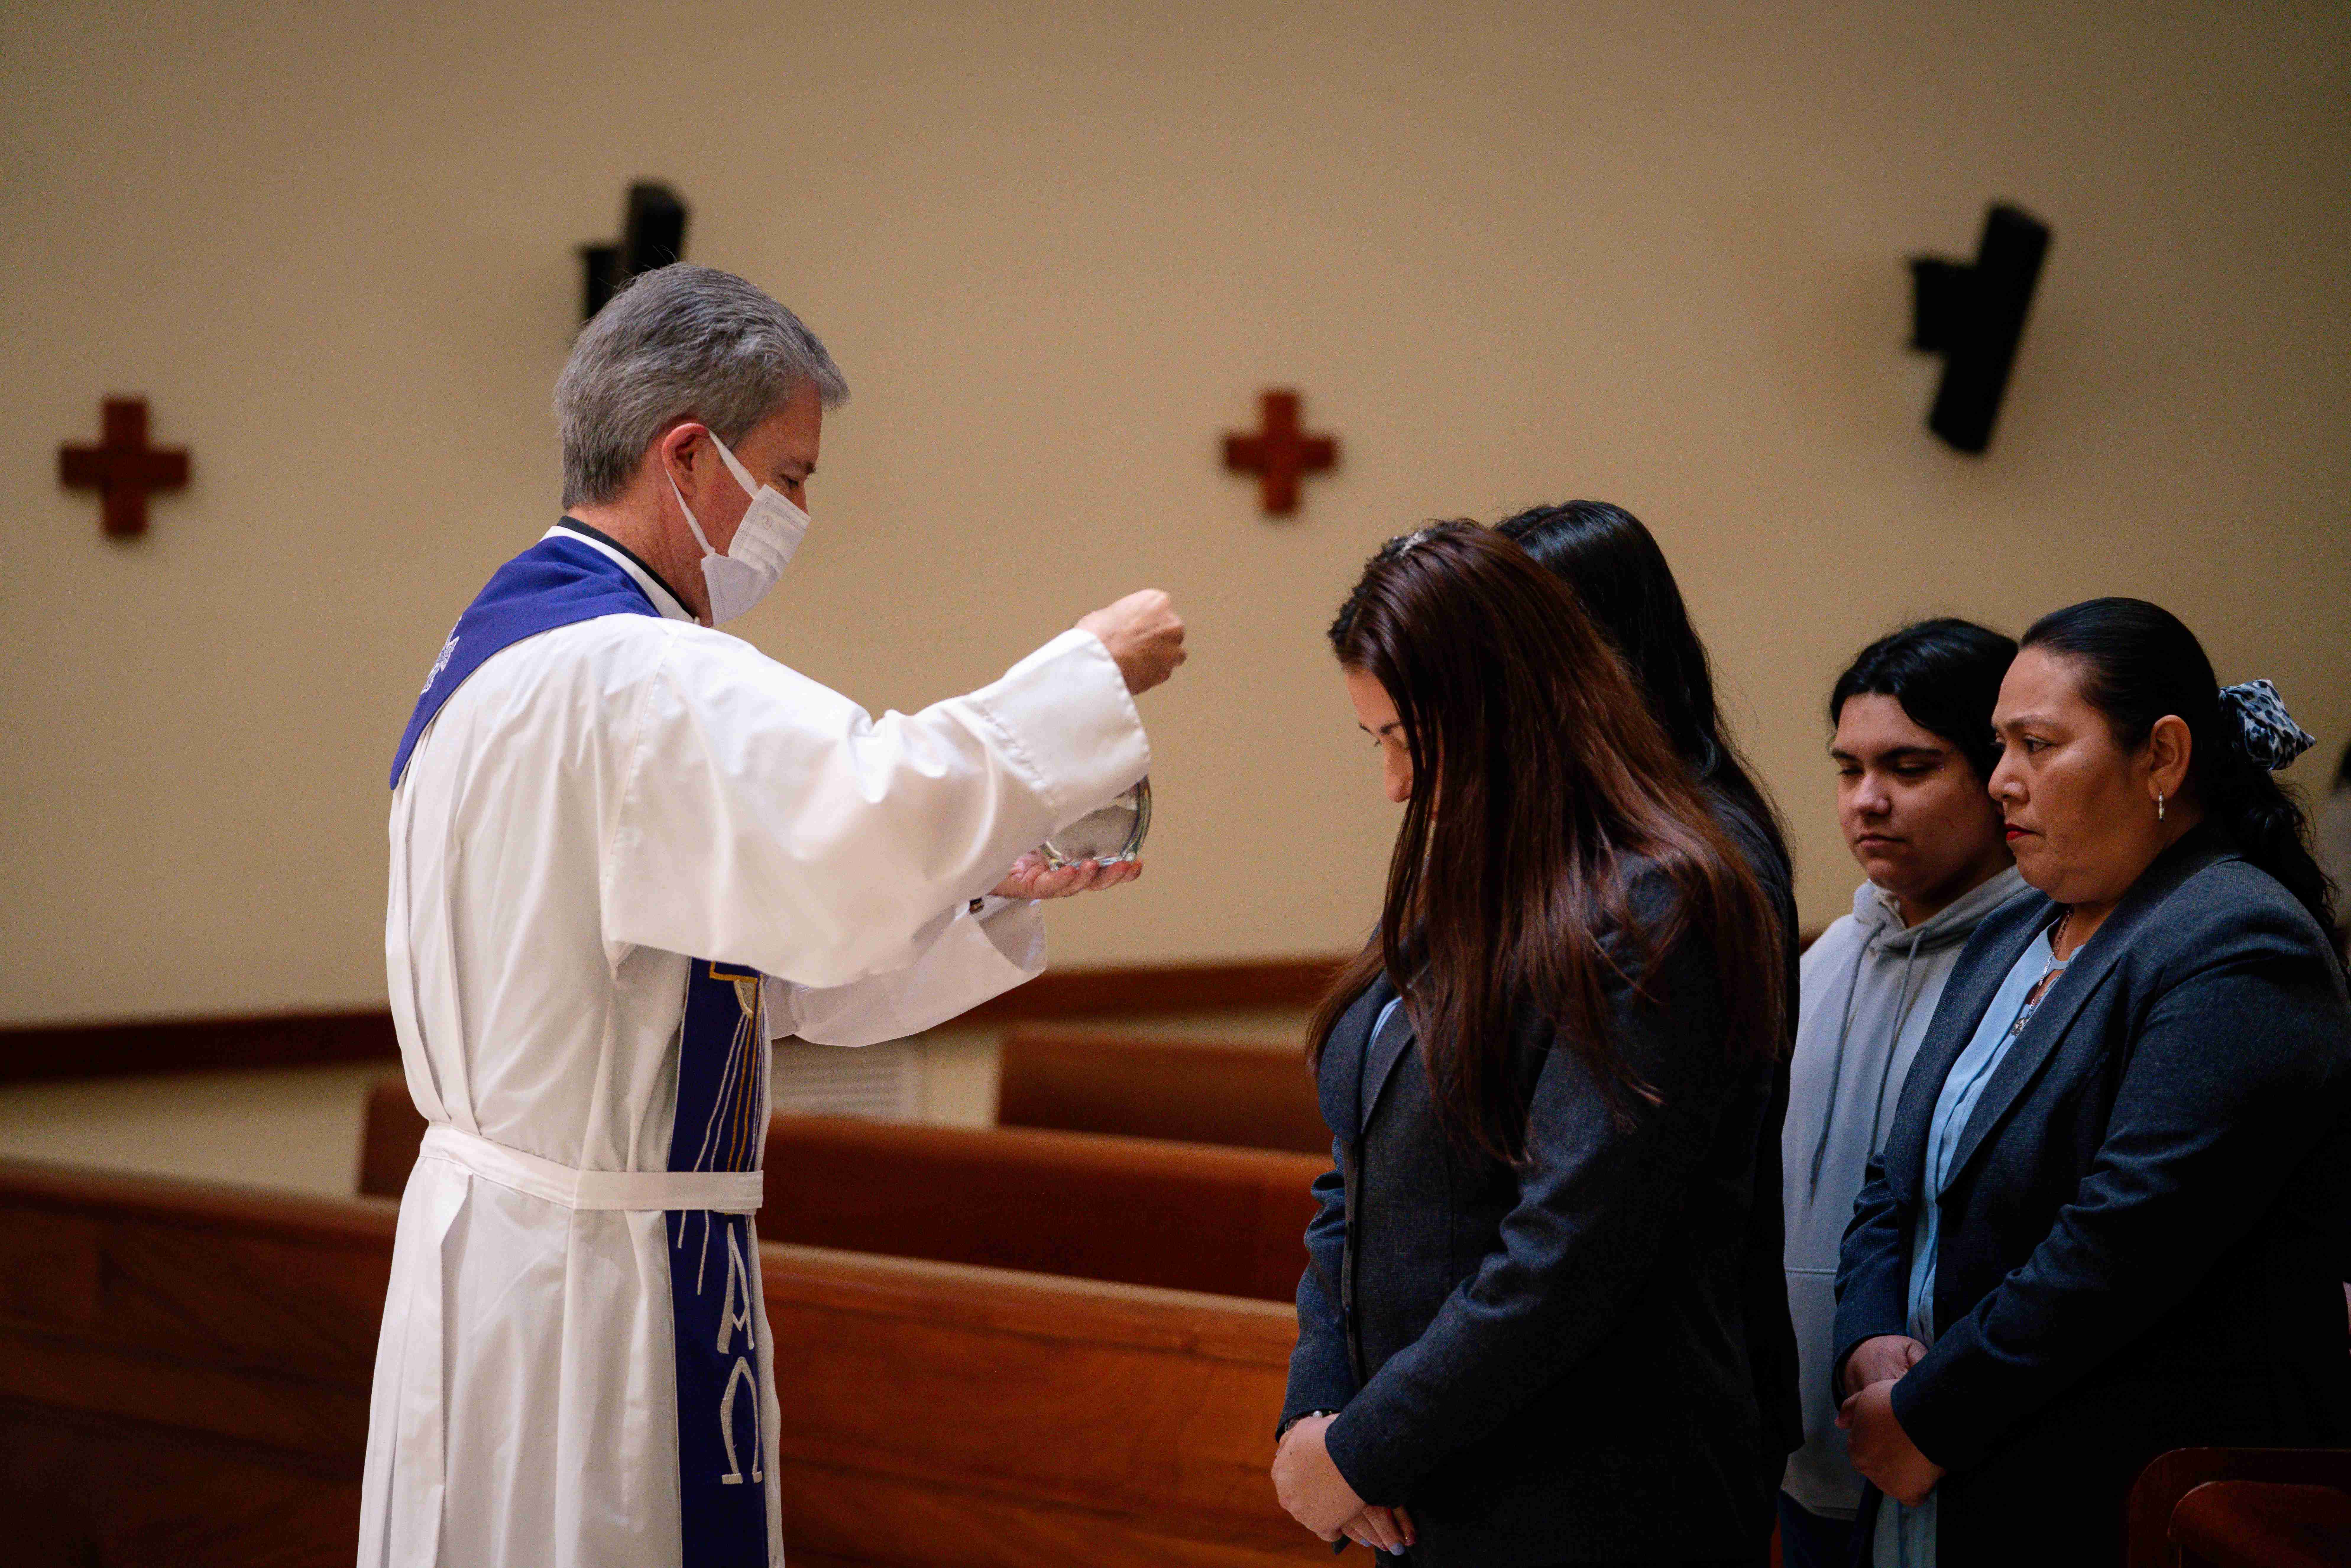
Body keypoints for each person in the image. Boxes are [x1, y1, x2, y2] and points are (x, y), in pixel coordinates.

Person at [360, 264, 1187, 1568]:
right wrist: (1084, 674)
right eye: (789, 475)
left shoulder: (496, 649)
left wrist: (970, 889)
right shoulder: (631, 671)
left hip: (503, 1258)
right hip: (602, 1289)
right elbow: (866, 803)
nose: (799, 509)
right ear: (686, 457)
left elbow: (719, 967)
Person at [1273, 522, 1788, 1566]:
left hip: (1593, 1494)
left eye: (1408, 743)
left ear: (1510, 713)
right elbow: (1354, 1181)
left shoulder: (1659, 900)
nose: (1394, 786)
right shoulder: (1468, 879)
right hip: (1431, 1480)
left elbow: (1570, 1247)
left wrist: (1369, 1445)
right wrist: (1320, 1413)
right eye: (1374, 740)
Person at [1833, 598, 2351, 1567]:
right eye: (1998, 747)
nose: (2000, 785)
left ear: (2161, 758)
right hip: (1933, 1477)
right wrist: (1867, 1344)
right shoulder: (2010, 932)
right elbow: (1894, 1183)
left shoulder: (2237, 938)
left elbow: (2124, 1243)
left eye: (2037, 746)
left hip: (2112, 1493)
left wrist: (1931, 1415)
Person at [1496, 498, 1805, 1511]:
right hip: (1580, 1380)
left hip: (1654, 1393)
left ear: (1603, 653)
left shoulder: (1696, 851)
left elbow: (1606, 1193)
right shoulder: (1588, 821)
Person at [1776, 620, 2024, 1567]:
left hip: (1951, 1440)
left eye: (1910, 769)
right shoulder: (1830, 955)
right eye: (1849, 770)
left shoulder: (2045, 961)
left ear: (2000, 772)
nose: (1867, 802)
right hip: (1806, 1453)